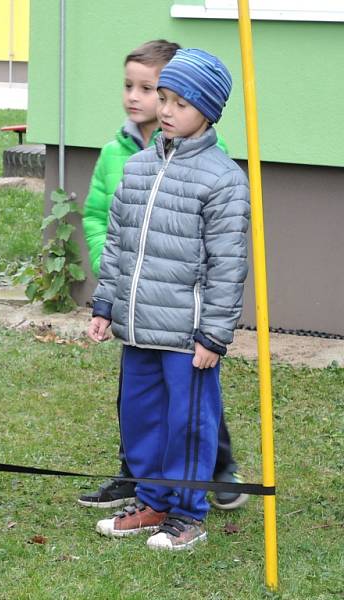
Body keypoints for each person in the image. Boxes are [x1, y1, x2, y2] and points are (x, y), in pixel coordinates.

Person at [87, 48, 250, 550]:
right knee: (142, 419)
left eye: (181, 102)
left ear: (208, 110)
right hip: (139, 329)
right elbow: (117, 244)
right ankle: (153, 500)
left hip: (188, 337)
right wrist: (105, 304)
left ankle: (187, 513)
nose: (166, 110)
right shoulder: (136, 169)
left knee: (189, 425)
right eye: (164, 98)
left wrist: (214, 335)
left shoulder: (223, 179)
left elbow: (228, 265)